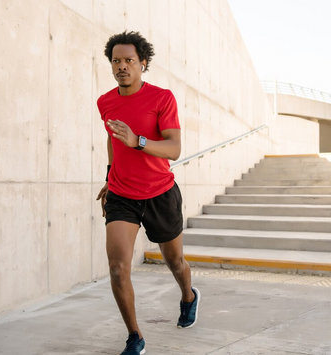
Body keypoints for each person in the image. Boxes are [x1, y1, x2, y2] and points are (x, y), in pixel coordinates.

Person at [95, 31, 200, 355]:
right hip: (123, 195)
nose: (122, 66)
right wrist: (111, 177)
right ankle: (135, 336)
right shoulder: (106, 102)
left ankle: (188, 296)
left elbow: (174, 148)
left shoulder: (161, 98)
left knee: (175, 261)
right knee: (117, 268)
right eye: (116, 61)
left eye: (128, 60)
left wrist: (137, 141)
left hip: (160, 193)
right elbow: (114, 142)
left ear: (143, 63)